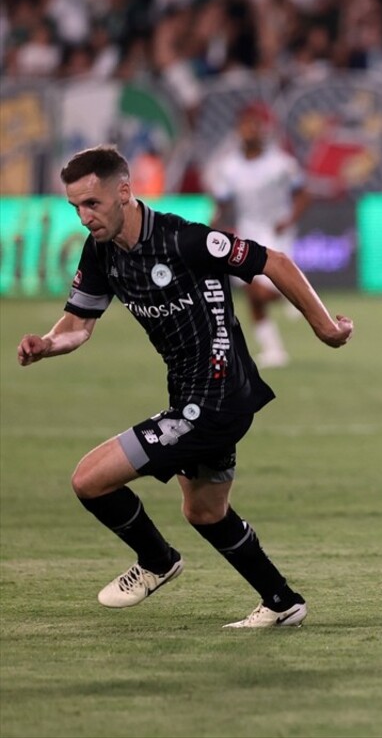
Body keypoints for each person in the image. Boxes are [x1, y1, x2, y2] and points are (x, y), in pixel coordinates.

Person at [17, 145, 353, 628]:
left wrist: (325, 328)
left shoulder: (184, 239)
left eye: (92, 204)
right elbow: (78, 324)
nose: (84, 217)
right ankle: (282, 602)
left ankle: (157, 560)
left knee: (88, 480)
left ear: (125, 192)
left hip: (214, 401)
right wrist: (47, 344)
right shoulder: (101, 254)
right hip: (194, 397)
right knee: (205, 511)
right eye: (75, 207)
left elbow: (273, 261)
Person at [208, 102, 310, 368]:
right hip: (248, 232)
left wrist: (290, 219)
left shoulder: (281, 163)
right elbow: (222, 204)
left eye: (254, 126)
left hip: (278, 234)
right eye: (245, 126)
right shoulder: (228, 167)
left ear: (263, 130)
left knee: (260, 293)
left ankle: (294, 295)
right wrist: (212, 229)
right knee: (254, 295)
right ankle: (273, 349)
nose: (249, 131)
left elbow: (303, 193)